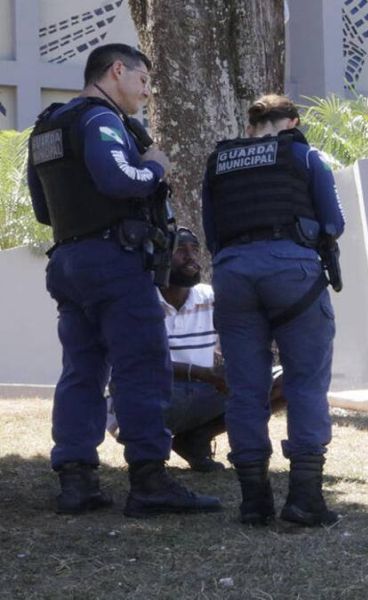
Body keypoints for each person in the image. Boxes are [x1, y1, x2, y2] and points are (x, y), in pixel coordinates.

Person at [27, 43, 220, 517]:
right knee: (142, 366)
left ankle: (76, 481)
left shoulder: (48, 128)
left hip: (69, 260)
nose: (146, 92)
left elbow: (43, 210)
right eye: (143, 81)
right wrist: (155, 166)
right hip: (114, 261)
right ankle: (150, 481)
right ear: (117, 71)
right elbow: (121, 180)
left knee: (82, 371)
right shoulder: (101, 120)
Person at [202, 94, 344, 526]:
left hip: (232, 273)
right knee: (305, 383)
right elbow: (334, 222)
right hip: (292, 272)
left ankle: (253, 501)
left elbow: (211, 231)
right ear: (293, 122)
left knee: (246, 388)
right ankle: (304, 499)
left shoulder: (219, 161)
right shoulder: (305, 156)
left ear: (250, 127)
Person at [106, 228, 287, 472]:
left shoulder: (211, 297)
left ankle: (195, 439)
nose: (191, 257)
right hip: (154, 395)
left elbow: (238, 345)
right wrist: (205, 374)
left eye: (195, 249)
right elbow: (140, 363)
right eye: (180, 250)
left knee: (287, 379)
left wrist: (237, 368)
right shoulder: (138, 301)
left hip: (204, 391)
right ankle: (148, 459)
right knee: (143, 393)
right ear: (158, 257)